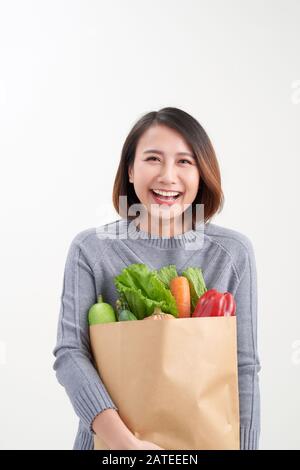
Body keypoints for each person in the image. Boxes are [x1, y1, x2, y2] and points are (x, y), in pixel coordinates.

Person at [52, 107, 261, 450]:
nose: (168, 176)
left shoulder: (232, 253)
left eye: (184, 161)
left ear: (202, 174)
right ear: (131, 170)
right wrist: (127, 444)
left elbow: (244, 368)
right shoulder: (91, 249)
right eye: (153, 159)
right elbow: (70, 354)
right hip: (112, 446)